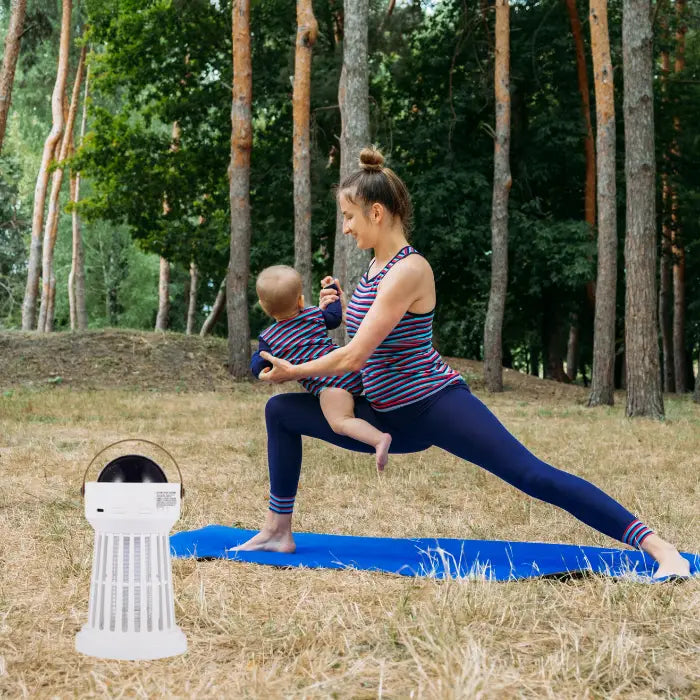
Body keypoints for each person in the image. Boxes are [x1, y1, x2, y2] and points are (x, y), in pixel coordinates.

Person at [236, 147, 690, 580]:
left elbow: (356, 354)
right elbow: (353, 347)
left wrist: (295, 372)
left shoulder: (409, 271)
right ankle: (278, 530)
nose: (347, 228)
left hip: (435, 406)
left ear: (377, 212)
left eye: (350, 218)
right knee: (281, 413)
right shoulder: (373, 269)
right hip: (385, 414)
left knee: (532, 475)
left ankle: (658, 547)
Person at [251, 264, 392, 479]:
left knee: (340, 421)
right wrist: (333, 289)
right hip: (349, 367)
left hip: (333, 386)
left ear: (263, 306)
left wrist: (260, 370)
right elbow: (334, 317)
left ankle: (378, 439)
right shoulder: (313, 315)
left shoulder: (269, 339)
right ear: (300, 300)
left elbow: (259, 363)